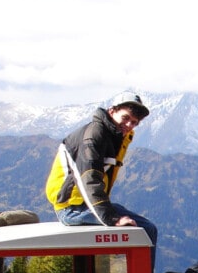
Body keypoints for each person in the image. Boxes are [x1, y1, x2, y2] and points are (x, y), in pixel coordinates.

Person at [44, 91, 158, 262]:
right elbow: (88, 180)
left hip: (82, 205)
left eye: (134, 122)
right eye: (125, 118)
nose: (129, 124)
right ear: (112, 111)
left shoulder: (113, 134)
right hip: (73, 209)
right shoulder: (93, 137)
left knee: (146, 227)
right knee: (143, 229)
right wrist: (112, 218)